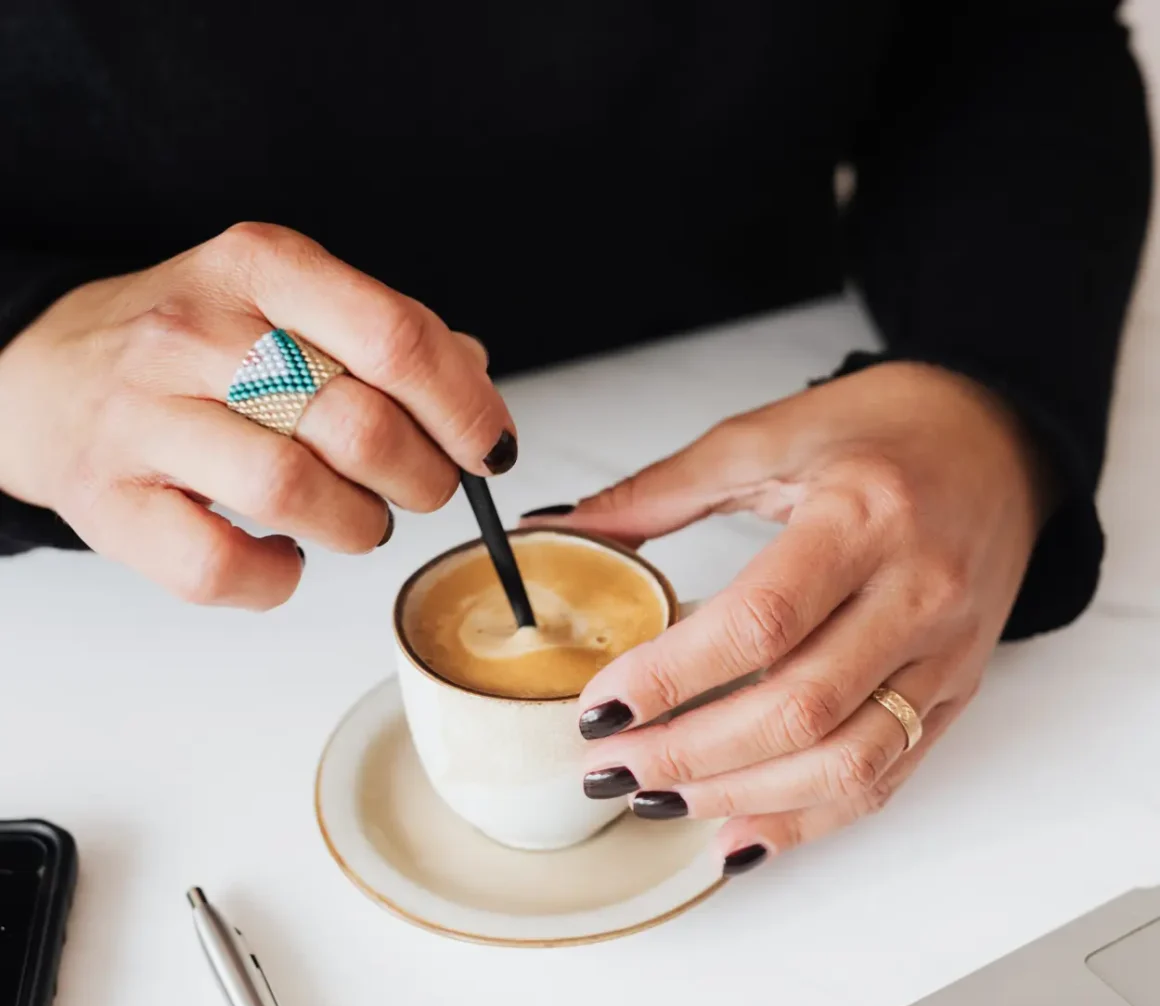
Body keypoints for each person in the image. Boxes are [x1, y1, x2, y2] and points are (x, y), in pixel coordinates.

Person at [0, 0, 1150, 873]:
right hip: (111, 629)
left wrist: (985, 397)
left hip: (755, 360)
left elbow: (1010, 37)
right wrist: (19, 356)